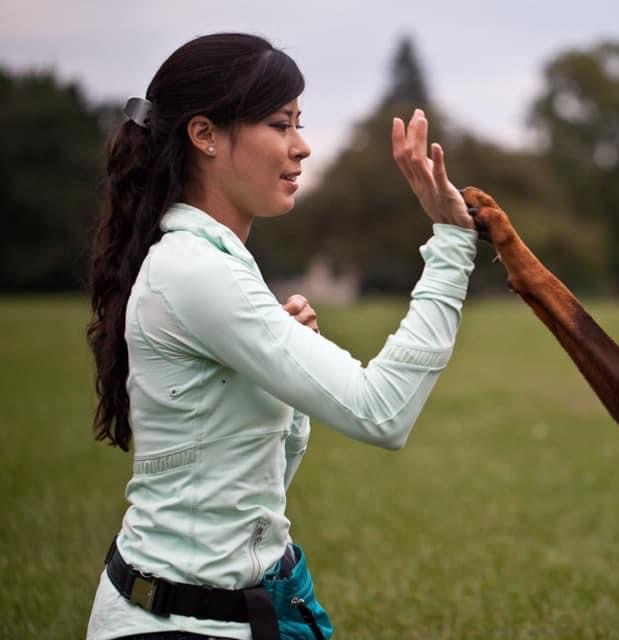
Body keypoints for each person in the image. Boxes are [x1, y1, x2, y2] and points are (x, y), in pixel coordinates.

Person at [85, 33, 477, 640]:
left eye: (300, 122)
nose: (302, 147)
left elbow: (253, 489)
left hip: (247, 607)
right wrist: (451, 243)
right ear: (205, 135)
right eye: (279, 123)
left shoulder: (218, 263)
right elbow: (382, 412)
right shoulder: (195, 270)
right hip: (180, 621)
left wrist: (280, 372)